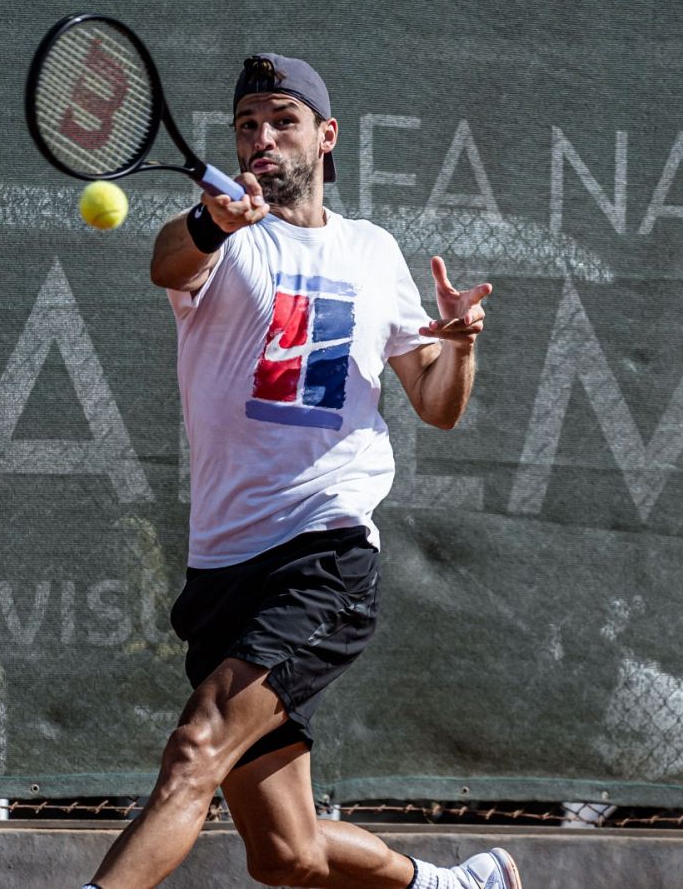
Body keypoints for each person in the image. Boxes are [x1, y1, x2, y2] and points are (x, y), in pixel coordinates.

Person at [83, 54, 518, 889]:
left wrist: (458, 347)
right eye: (247, 123)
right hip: (222, 568)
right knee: (286, 856)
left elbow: (436, 401)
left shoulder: (372, 250)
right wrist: (213, 223)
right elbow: (168, 261)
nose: (260, 137)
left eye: (282, 119)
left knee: (195, 749)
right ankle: (460, 887)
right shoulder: (223, 238)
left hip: (322, 555)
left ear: (325, 137)